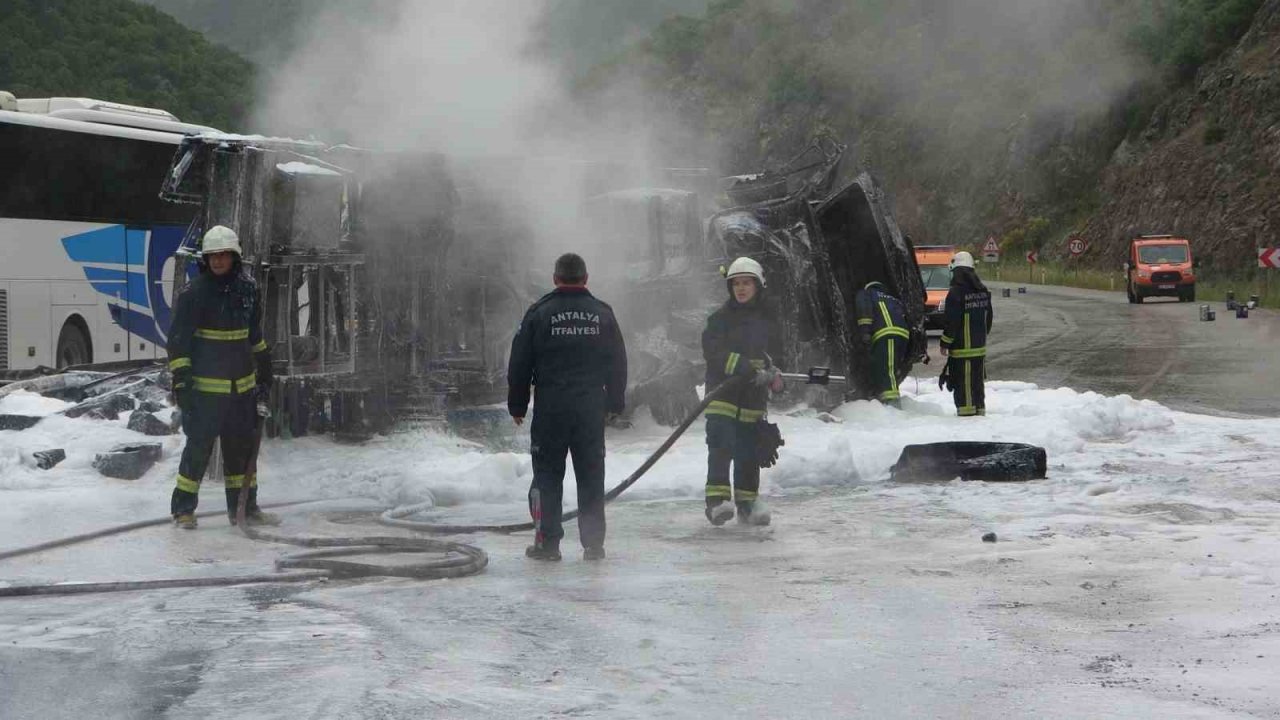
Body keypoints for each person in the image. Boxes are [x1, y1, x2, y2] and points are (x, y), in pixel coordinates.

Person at [508, 253, 627, 562]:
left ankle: (548, 544)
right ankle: (593, 544)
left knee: (547, 476)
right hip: (589, 410)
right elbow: (617, 363)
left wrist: (517, 405)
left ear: (555, 279)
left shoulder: (539, 313)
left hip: (551, 410)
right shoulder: (603, 314)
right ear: (586, 279)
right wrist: (615, 403)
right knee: (590, 474)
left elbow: (520, 363)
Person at [167, 226, 277, 529]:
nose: (217, 261)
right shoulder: (193, 294)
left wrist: (265, 366)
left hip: (241, 392)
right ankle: (184, 511)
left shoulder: (248, 290)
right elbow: (178, 343)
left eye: (223, 255)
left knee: (240, 456)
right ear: (205, 259)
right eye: (212, 256)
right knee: (197, 452)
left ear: (234, 257)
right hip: (204, 393)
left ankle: (244, 509)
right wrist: (182, 383)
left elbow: (253, 334)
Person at [701, 257, 783, 527]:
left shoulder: (769, 321)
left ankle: (747, 503)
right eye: (736, 284)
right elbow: (714, 354)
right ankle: (716, 503)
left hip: (751, 399)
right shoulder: (719, 320)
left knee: (749, 450)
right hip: (722, 398)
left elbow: (778, 355)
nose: (741, 288)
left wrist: (776, 378)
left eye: (746, 283)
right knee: (722, 445)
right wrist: (746, 367)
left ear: (758, 285)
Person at [939, 251, 993, 417]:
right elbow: (989, 318)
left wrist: (945, 342)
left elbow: (952, 321)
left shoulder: (956, 293)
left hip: (963, 350)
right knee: (977, 384)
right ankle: (979, 412)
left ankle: (967, 417)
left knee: (964, 385)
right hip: (979, 349)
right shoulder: (983, 291)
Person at [854, 280, 909, 408]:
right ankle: (884, 398)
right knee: (891, 368)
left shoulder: (866, 294)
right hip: (903, 335)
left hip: (886, 333)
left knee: (887, 370)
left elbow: (864, 310)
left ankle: (892, 405)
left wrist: (865, 331)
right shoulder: (893, 299)